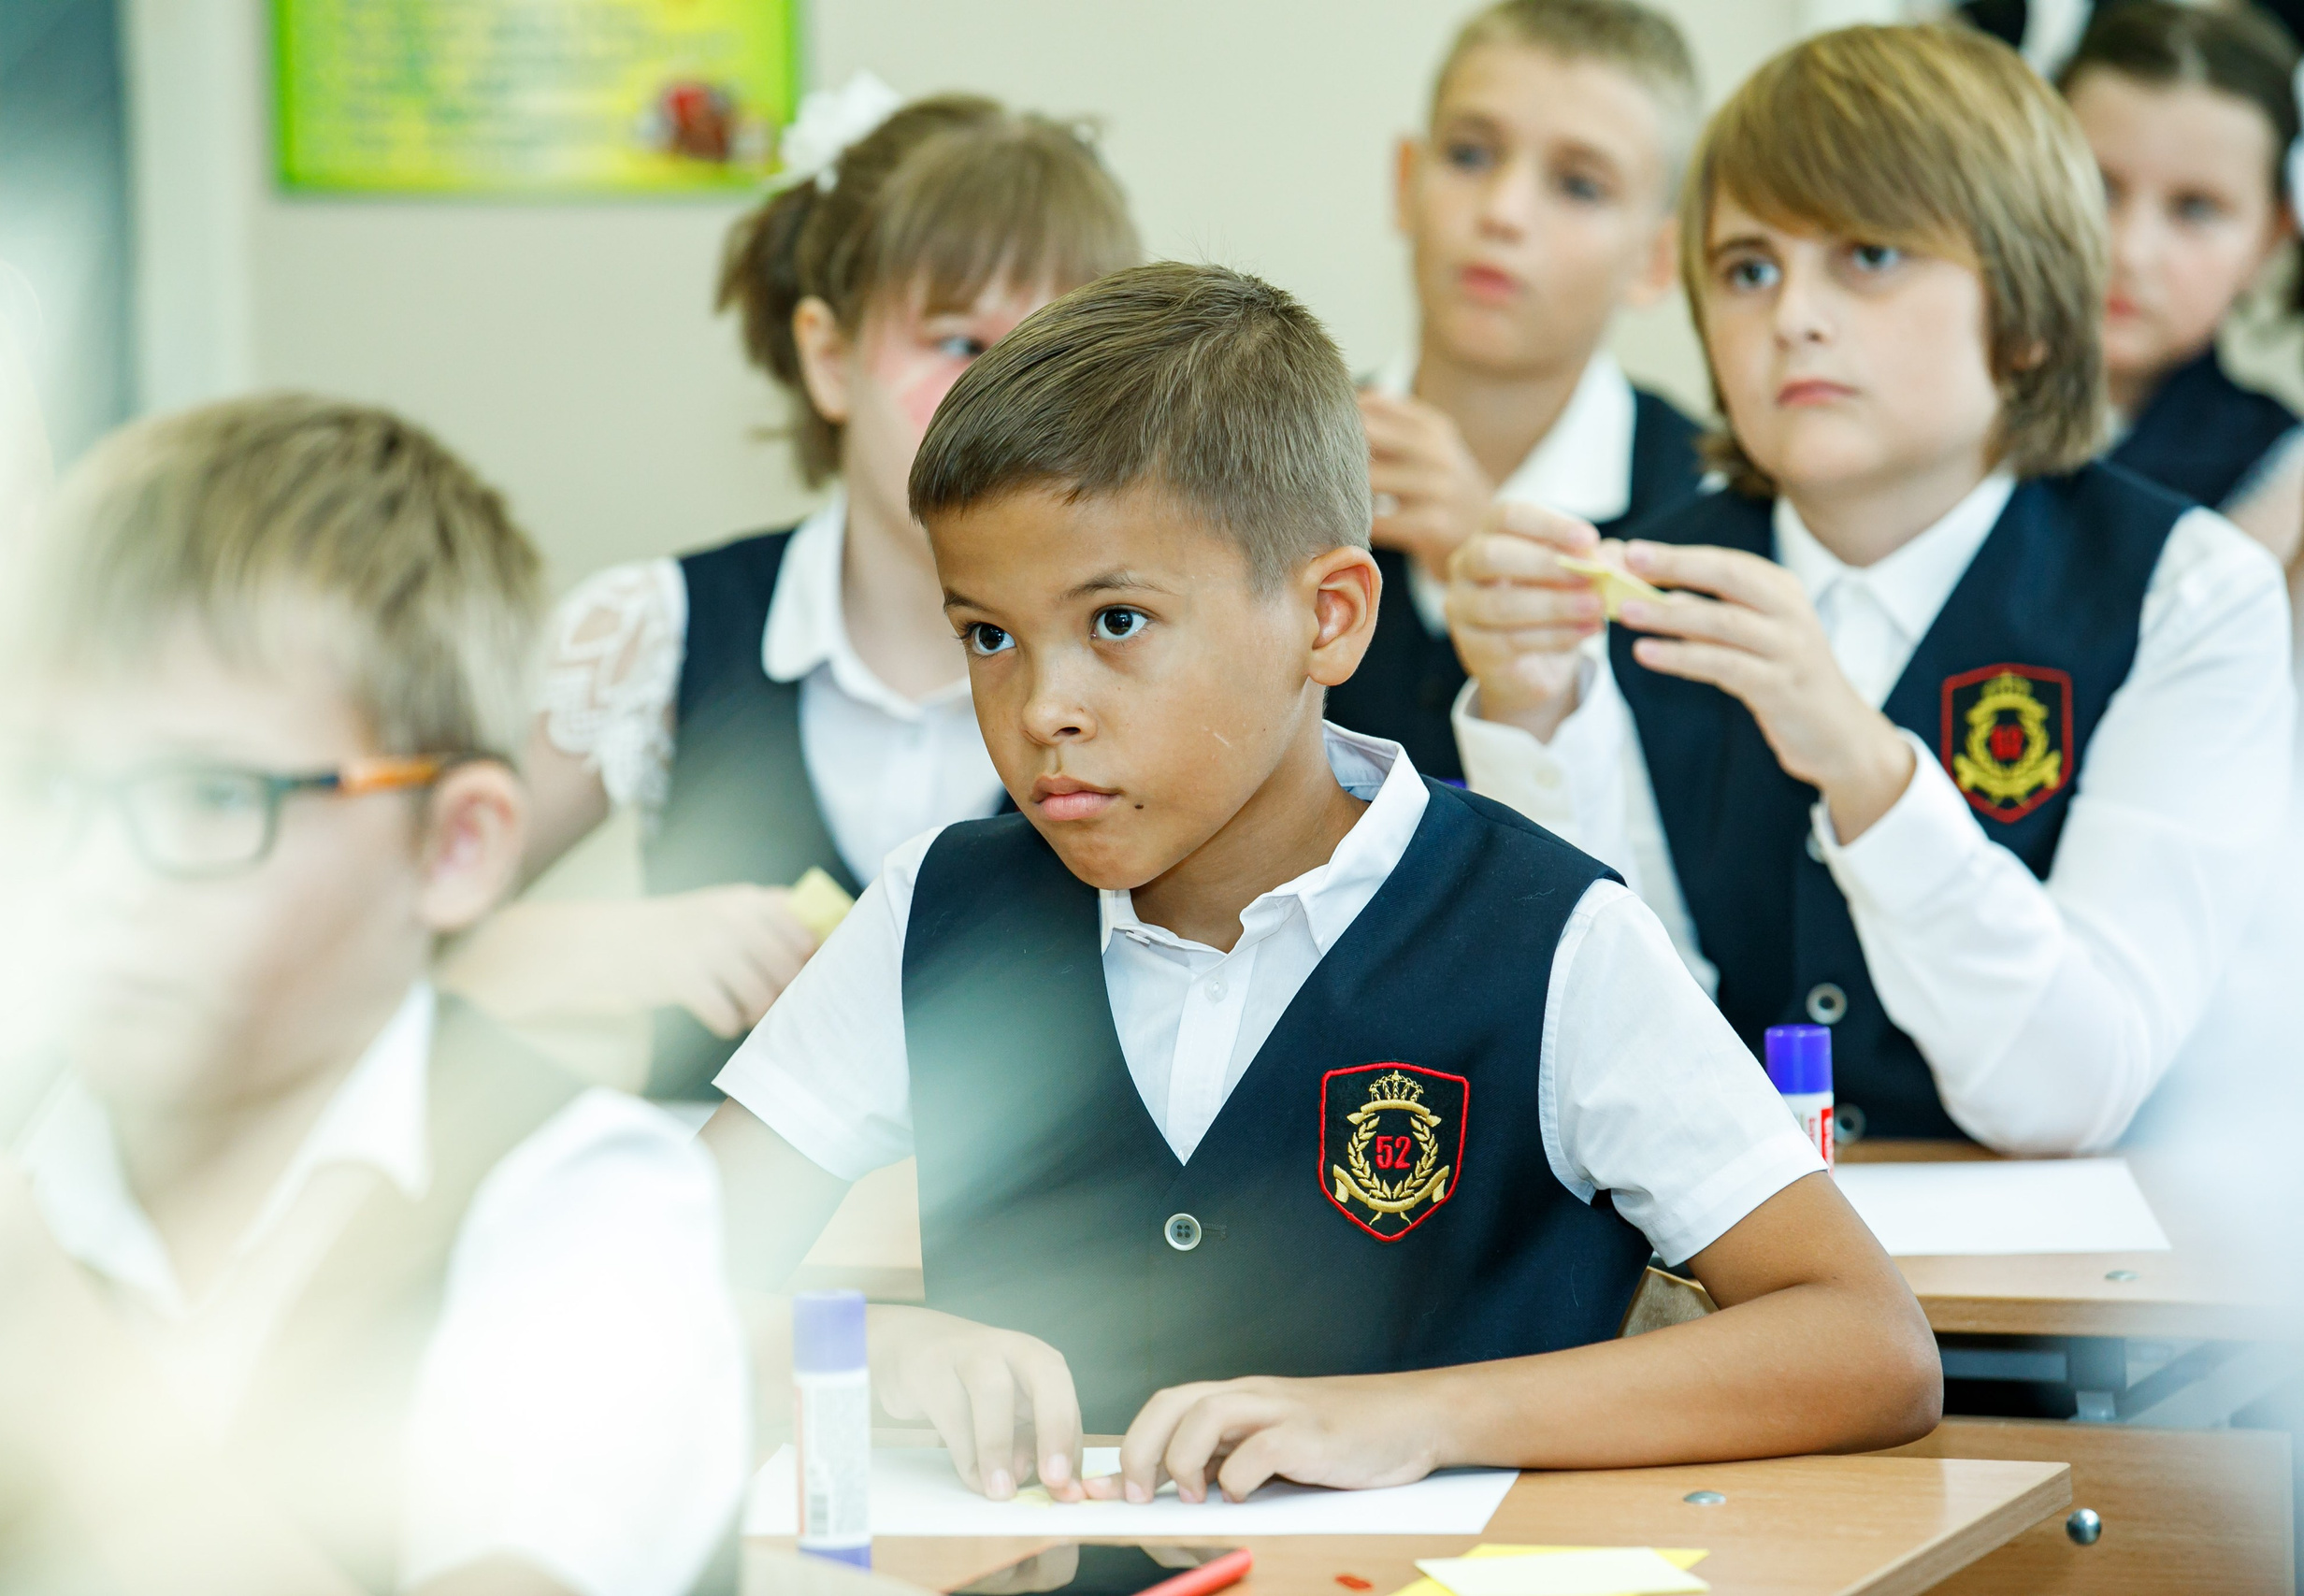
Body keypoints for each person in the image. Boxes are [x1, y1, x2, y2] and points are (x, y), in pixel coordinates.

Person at [701, 260, 1940, 1508]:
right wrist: (874, 1345)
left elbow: (1868, 1340)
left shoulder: (1548, 932)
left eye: (1118, 622)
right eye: (988, 634)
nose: (1044, 709)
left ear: (1331, 617)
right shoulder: (941, 910)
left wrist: (1423, 1416)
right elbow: (633, 1285)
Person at [0, 397, 746, 1595]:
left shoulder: (584, 1210)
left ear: (454, 847)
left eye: (209, 797)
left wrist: (66, 1384)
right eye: (43, 791)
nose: (92, 881)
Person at [1447, 24, 2295, 1153]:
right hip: (1712, 1296)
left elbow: (2074, 1093)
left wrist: (1860, 759)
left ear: (2033, 316)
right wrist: (1532, 717)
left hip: (2082, 1314)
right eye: (1748, 268)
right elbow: (1607, 1067)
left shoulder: (2188, 592)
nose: (1792, 315)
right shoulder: (1631, 585)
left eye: (1870, 257)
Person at [446, 86, 1142, 1099]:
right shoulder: (653, 633)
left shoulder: (1159, 649)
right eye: (959, 344)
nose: (1015, 401)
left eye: (1059, 351)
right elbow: (377, 936)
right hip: (723, 1250)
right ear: (828, 356)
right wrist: (617, 947)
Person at [1326, 0, 1705, 779]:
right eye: (1469, 155)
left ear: (1656, 260)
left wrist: (1491, 561)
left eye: (1578, 185)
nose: (1502, 213)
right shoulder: (1272, 449)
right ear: (1406, 182)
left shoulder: (1708, 508)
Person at [2061, 0, 2304, 566]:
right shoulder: (1918, 403)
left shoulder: (2283, 482)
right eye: (2098, 188)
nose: (2130, 251)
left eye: (2195, 210)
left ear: (2270, 242)